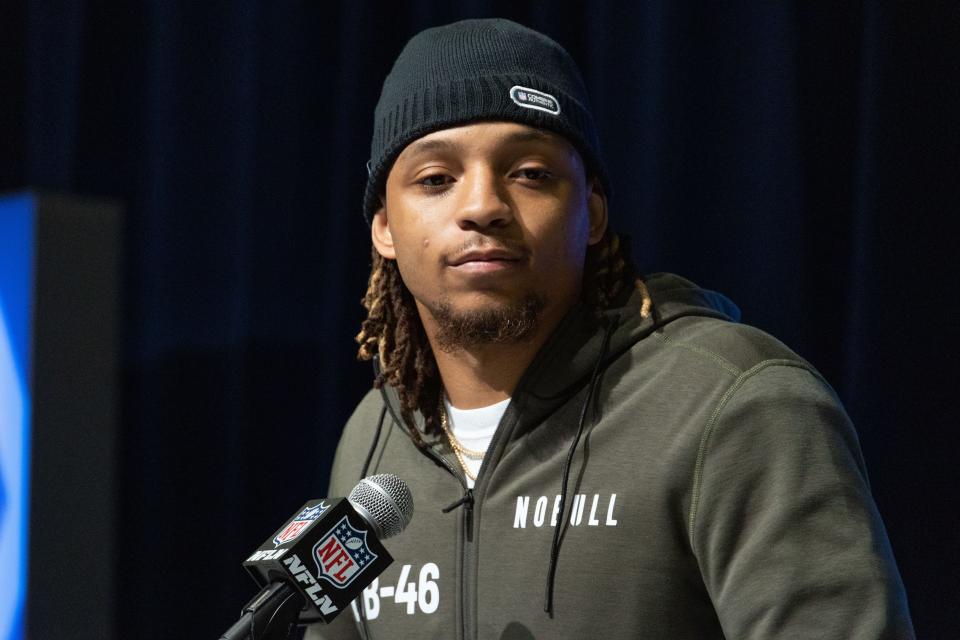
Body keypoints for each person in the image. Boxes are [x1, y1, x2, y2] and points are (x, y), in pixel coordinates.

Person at [307, 18, 914, 640]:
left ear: (592, 211)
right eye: (436, 179)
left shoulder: (736, 407)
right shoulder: (374, 438)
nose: (481, 206)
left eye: (531, 173)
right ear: (384, 228)